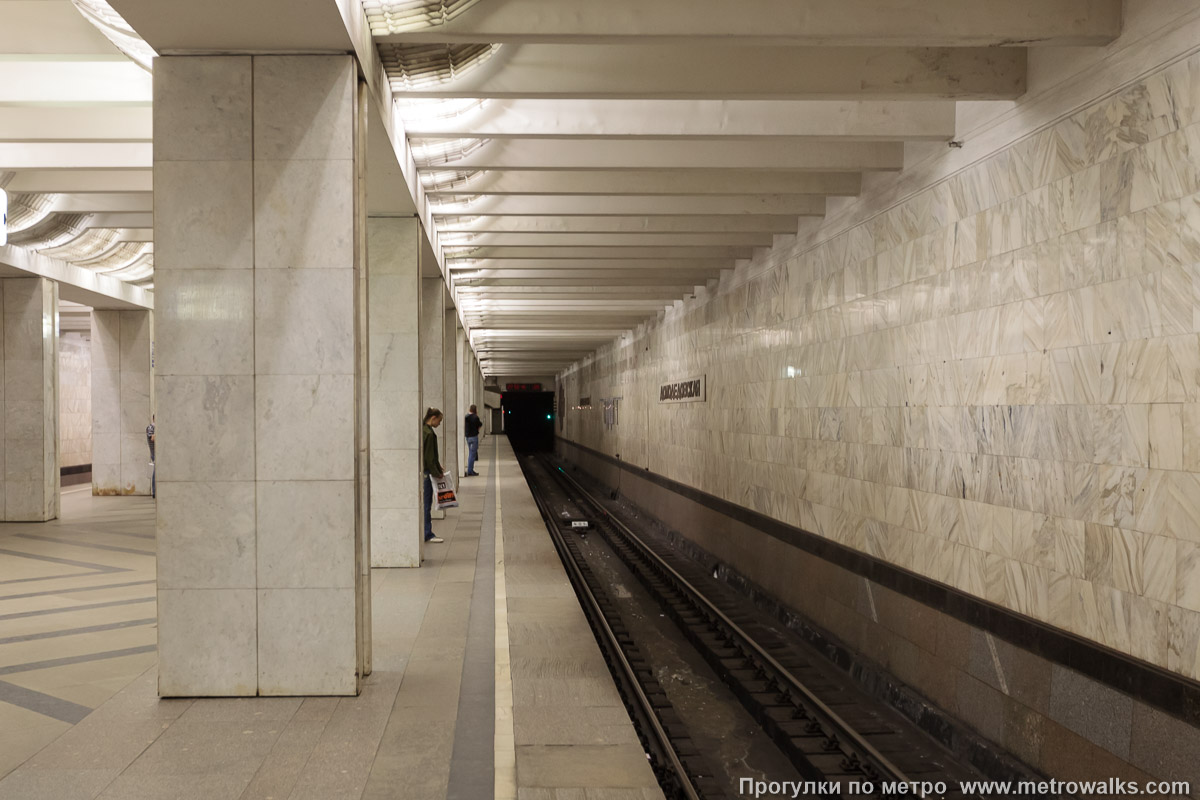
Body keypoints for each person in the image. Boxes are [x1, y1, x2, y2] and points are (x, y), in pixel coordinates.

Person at [422, 408, 445, 544]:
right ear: (433, 418)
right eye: (439, 421)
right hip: (427, 473)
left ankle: (426, 531)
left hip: (423, 471)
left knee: (424, 504)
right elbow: (430, 457)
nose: (440, 424)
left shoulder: (423, 430)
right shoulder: (429, 434)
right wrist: (437, 473)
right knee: (426, 504)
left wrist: (437, 466)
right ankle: (427, 533)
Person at [463, 404, 483, 476]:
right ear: (475, 410)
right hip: (474, 437)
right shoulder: (475, 417)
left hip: (468, 437)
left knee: (470, 453)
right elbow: (480, 424)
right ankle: (470, 471)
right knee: (472, 454)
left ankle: (470, 469)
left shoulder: (466, 417)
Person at [146, 414, 156, 499]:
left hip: (157, 453)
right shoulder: (150, 428)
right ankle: (154, 491)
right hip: (155, 454)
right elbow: (152, 438)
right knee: (155, 472)